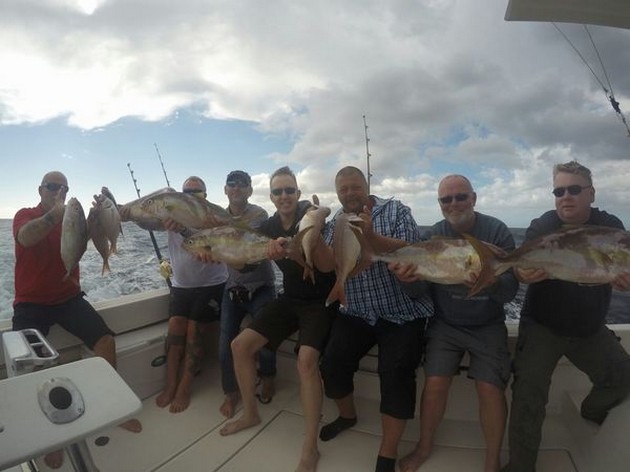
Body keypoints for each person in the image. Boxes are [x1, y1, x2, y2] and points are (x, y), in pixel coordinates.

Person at [501, 161, 630, 472]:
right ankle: (520, 468)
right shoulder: (542, 225)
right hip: (543, 326)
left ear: (592, 194)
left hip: (589, 328)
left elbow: (619, 264)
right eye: (559, 191)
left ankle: (590, 411)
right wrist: (521, 272)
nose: (565, 197)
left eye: (574, 189)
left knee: (623, 378)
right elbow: (520, 266)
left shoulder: (611, 227)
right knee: (528, 396)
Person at [12, 171, 142, 470]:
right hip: (31, 303)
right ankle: (48, 437)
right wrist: (52, 217)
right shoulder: (25, 215)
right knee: (30, 366)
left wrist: (95, 221)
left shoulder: (73, 217)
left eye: (64, 187)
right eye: (53, 186)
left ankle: (112, 406)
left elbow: (83, 243)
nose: (59, 191)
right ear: (40, 189)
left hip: (68, 297)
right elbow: (24, 236)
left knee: (106, 340)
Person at [391, 175, 518, 472]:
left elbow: (511, 291)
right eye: (446, 199)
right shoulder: (434, 235)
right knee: (435, 382)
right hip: (445, 324)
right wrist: (407, 281)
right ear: (439, 204)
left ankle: (491, 461)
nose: (454, 204)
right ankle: (424, 447)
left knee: (490, 388)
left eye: (460, 197)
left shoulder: (497, 230)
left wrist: (487, 283)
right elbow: (420, 292)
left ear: (473, 198)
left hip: (487, 324)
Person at [219, 166, 336, 472]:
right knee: (239, 346)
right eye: (277, 191)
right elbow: (245, 265)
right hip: (290, 299)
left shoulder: (310, 215)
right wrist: (219, 253)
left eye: (289, 190)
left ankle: (310, 448)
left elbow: (326, 268)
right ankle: (250, 414)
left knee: (306, 361)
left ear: (297, 193)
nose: (284, 196)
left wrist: (308, 237)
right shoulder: (269, 227)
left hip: (320, 302)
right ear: (270, 197)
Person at [318, 166, 434, 472]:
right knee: (331, 362)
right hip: (356, 312)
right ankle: (347, 416)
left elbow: (412, 251)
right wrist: (312, 229)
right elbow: (329, 263)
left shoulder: (396, 210)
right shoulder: (334, 224)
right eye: (343, 189)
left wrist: (370, 235)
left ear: (366, 185)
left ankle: (388, 451)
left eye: (355, 187)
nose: (349, 193)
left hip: (401, 313)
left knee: (396, 372)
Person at [153, 176, 228, 413]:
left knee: (194, 331)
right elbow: (145, 220)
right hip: (181, 285)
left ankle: (185, 386)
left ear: (205, 196)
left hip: (211, 284)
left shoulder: (213, 217)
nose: (192, 196)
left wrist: (184, 229)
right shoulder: (169, 215)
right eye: (187, 192)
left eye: (198, 193)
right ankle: (170, 383)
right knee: (175, 329)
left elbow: (209, 245)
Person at [218, 170, 277, 418]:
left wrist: (217, 240)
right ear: (226, 189)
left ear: (250, 190)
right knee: (224, 345)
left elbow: (240, 242)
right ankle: (231, 393)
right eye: (232, 184)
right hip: (232, 289)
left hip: (261, 286)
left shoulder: (259, 215)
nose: (237, 188)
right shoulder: (217, 217)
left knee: (265, 341)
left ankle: (268, 378)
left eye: (242, 185)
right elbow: (209, 240)